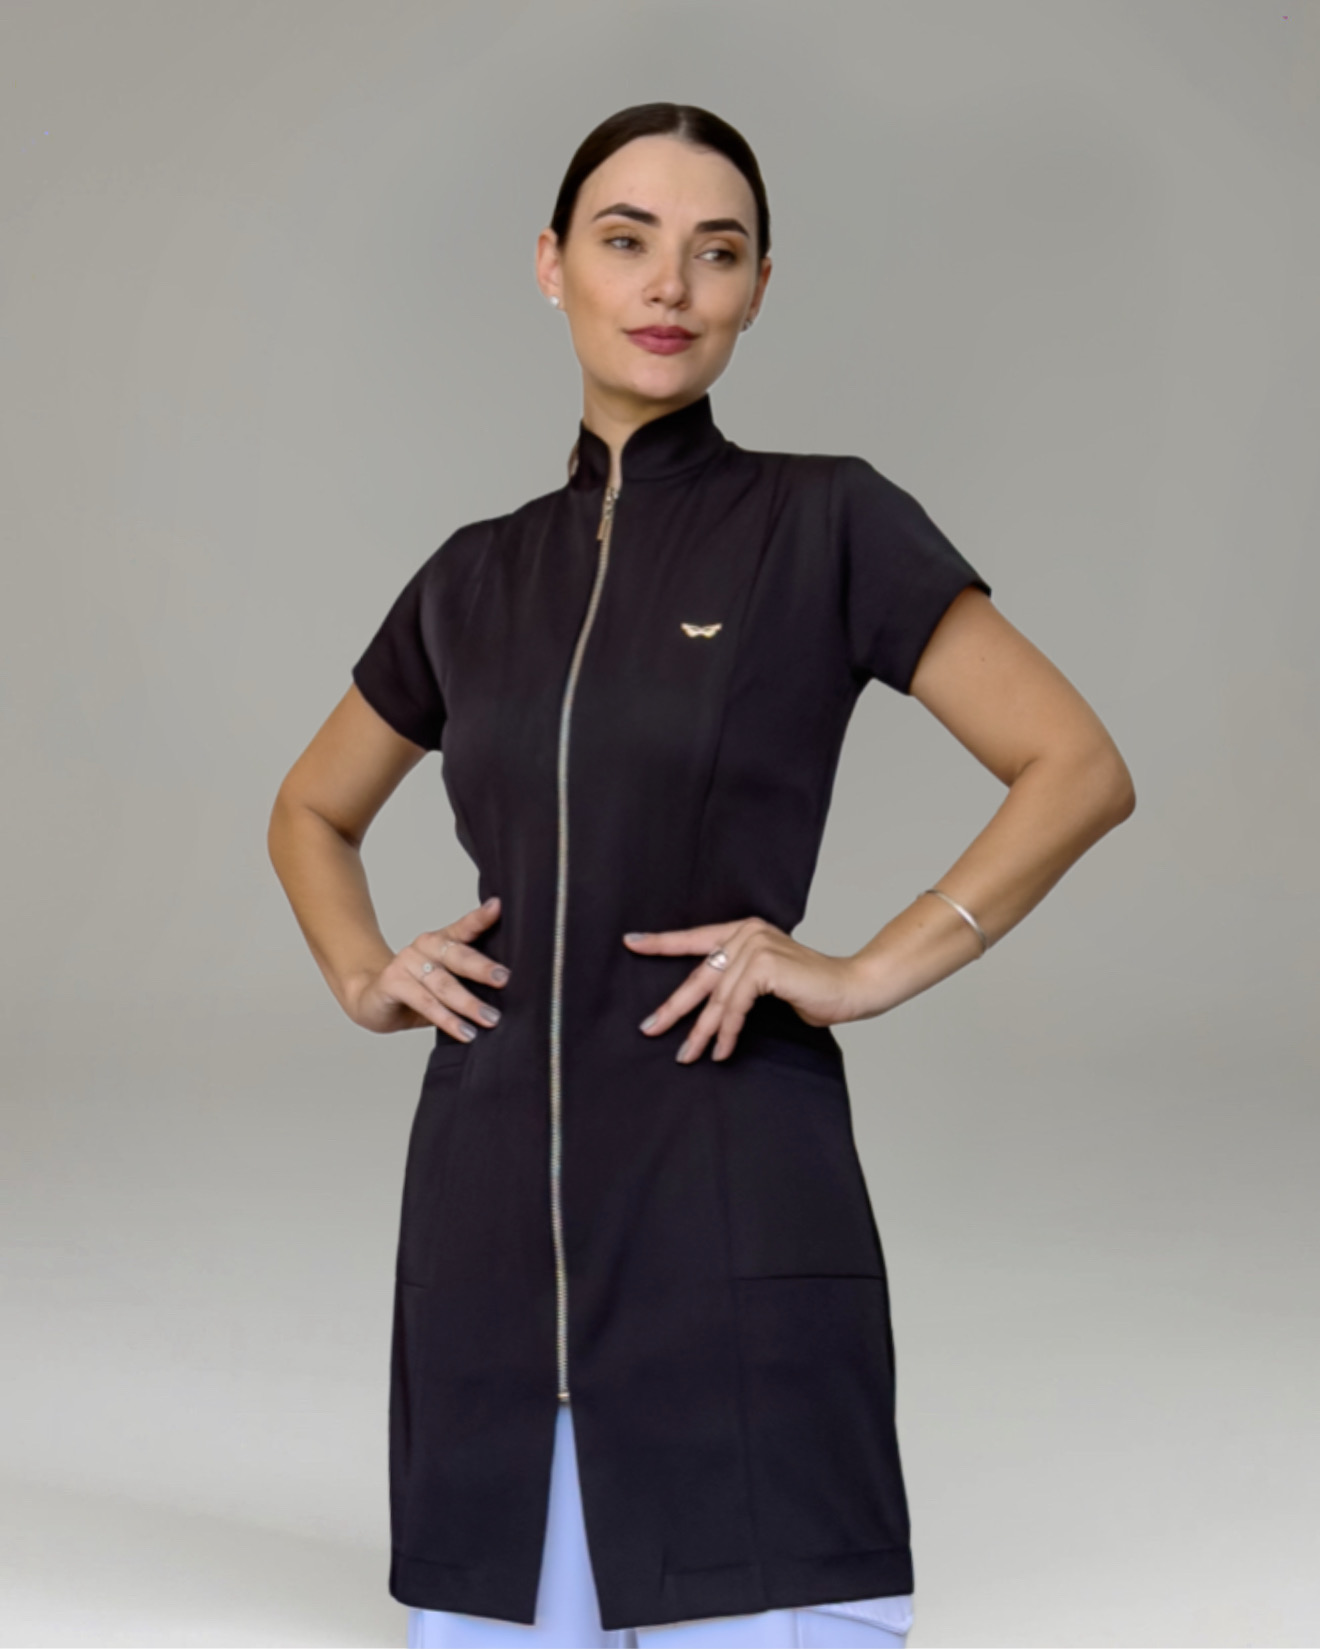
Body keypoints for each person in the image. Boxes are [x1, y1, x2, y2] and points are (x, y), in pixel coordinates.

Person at [268, 101, 1136, 1649]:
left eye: (715, 252)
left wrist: (866, 968)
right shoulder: (474, 576)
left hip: (729, 1177)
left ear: (757, 289)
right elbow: (310, 810)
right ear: (553, 265)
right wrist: (362, 971)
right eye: (627, 240)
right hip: (489, 1216)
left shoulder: (826, 520)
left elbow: (1076, 765)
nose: (670, 283)